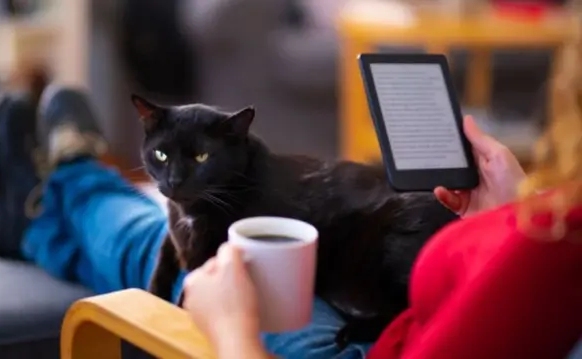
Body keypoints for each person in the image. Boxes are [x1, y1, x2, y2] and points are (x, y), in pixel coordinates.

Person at [181, 22, 582, 359]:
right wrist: (510, 213)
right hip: (395, 315)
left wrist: (230, 332)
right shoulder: (555, 228)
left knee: (147, 241)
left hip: (365, 345)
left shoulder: (555, 242)